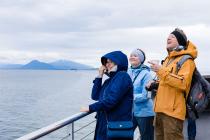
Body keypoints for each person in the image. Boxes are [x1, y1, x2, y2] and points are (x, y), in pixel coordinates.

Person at [147, 28, 198, 140]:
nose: (168, 38)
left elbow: (183, 83)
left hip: (172, 112)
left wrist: (160, 70)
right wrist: (155, 84)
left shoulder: (187, 60)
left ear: (180, 41)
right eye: (168, 37)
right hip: (159, 110)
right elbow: (166, 80)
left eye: (172, 36)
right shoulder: (167, 60)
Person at [81, 51, 133, 140]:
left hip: (115, 124)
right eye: (106, 62)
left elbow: (111, 100)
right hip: (105, 123)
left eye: (110, 62)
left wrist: (90, 107)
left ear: (119, 62)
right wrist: (100, 75)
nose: (107, 65)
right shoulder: (108, 81)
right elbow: (95, 95)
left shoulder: (122, 76)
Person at [127, 48, 155, 140]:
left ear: (141, 59)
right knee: (125, 134)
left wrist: (128, 97)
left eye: (135, 56)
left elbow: (145, 95)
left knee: (146, 137)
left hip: (145, 113)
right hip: (130, 112)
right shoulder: (128, 72)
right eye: (131, 55)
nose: (132, 57)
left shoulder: (146, 74)